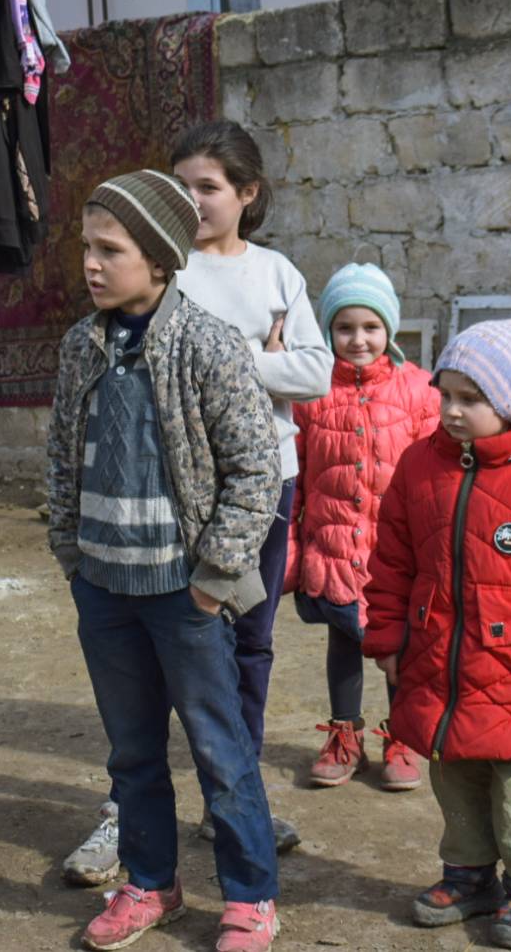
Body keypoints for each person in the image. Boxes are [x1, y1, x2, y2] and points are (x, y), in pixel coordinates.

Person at [64, 121, 329, 884]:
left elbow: (314, 373)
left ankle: (232, 800)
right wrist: (258, 355)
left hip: (260, 486)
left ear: (247, 194)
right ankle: (125, 818)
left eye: (207, 187)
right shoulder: (158, 268)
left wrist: (237, 361)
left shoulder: (274, 273)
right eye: (180, 185)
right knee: (143, 670)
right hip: (162, 499)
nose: (193, 200)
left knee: (245, 643)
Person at [47, 169, 284, 952]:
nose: (91, 264)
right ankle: (151, 883)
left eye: (109, 250)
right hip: (104, 591)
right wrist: (71, 553)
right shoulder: (80, 347)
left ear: (158, 259)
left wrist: (214, 580)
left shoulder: (207, 345)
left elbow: (255, 469)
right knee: (132, 752)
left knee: (220, 748)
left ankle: (250, 895)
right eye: (87, 248)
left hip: (186, 596)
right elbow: (60, 457)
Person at [362, 308, 511, 949]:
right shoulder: (419, 467)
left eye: (471, 399)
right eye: (445, 394)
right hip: (437, 660)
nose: (452, 410)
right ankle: (469, 876)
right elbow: (391, 560)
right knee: (452, 768)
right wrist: (387, 636)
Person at [285, 264, 440, 792]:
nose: (358, 339)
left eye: (371, 327)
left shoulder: (420, 391)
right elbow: (295, 477)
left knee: (402, 646)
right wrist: (292, 548)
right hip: (333, 547)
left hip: (397, 554)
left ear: (388, 329)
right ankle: (345, 735)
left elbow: (436, 478)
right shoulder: (311, 393)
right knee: (344, 642)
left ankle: (402, 737)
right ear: (328, 330)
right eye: (344, 327)